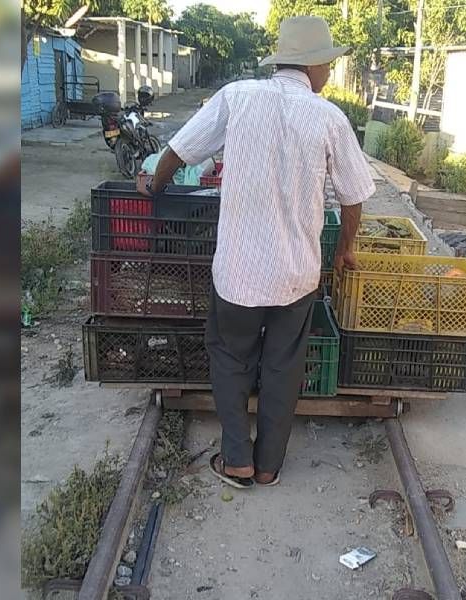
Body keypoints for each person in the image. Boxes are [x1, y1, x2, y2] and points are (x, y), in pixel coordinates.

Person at [138, 15, 375, 489]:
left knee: (229, 356)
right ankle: (268, 467)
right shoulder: (329, 117)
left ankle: (237, 460)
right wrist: (345, 249)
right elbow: (354, 195)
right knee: (282, 366)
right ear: (313, 66)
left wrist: (153, 185)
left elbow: (180, 152)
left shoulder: (237, 97)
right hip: (297, 275)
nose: (328, 73)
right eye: (327, 64)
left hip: (239, 272)